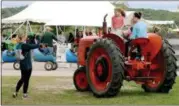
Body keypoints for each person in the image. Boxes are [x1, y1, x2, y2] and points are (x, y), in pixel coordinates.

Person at [12, 34, 42, 99]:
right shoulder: (25, 45)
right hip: (28, 65)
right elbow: (37, 45)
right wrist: (38, 38)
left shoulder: (17, 45)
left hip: (22, 65)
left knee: (22, 79)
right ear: (22, 38)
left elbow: (13, 53)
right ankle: (24, 95)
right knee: (26, 80)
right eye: (25, 36)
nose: (26, 37)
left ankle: (15, 92)